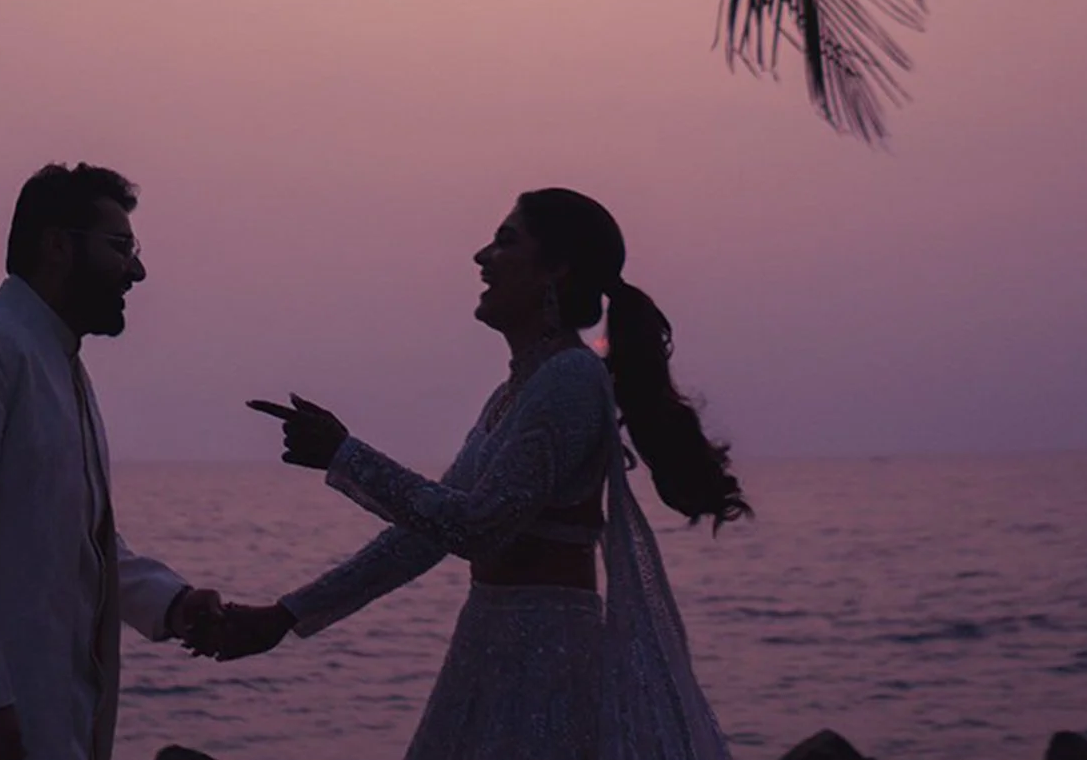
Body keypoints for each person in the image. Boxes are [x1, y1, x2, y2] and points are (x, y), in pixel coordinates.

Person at [208, 186, 751, 760]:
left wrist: (345, 455)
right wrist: (288, 614)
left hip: (547, 658)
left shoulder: (569, 380)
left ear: (555, 271)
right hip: (493, 645)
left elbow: (477, 526)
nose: (481, 257)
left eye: (505, 241)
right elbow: (424, 536)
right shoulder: (517, 392)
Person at [0, 163, 224, 760]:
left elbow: (80, 540)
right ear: (58, 246)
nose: (138, 270)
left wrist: (171, 603)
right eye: (120, 247)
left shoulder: (61, 367)